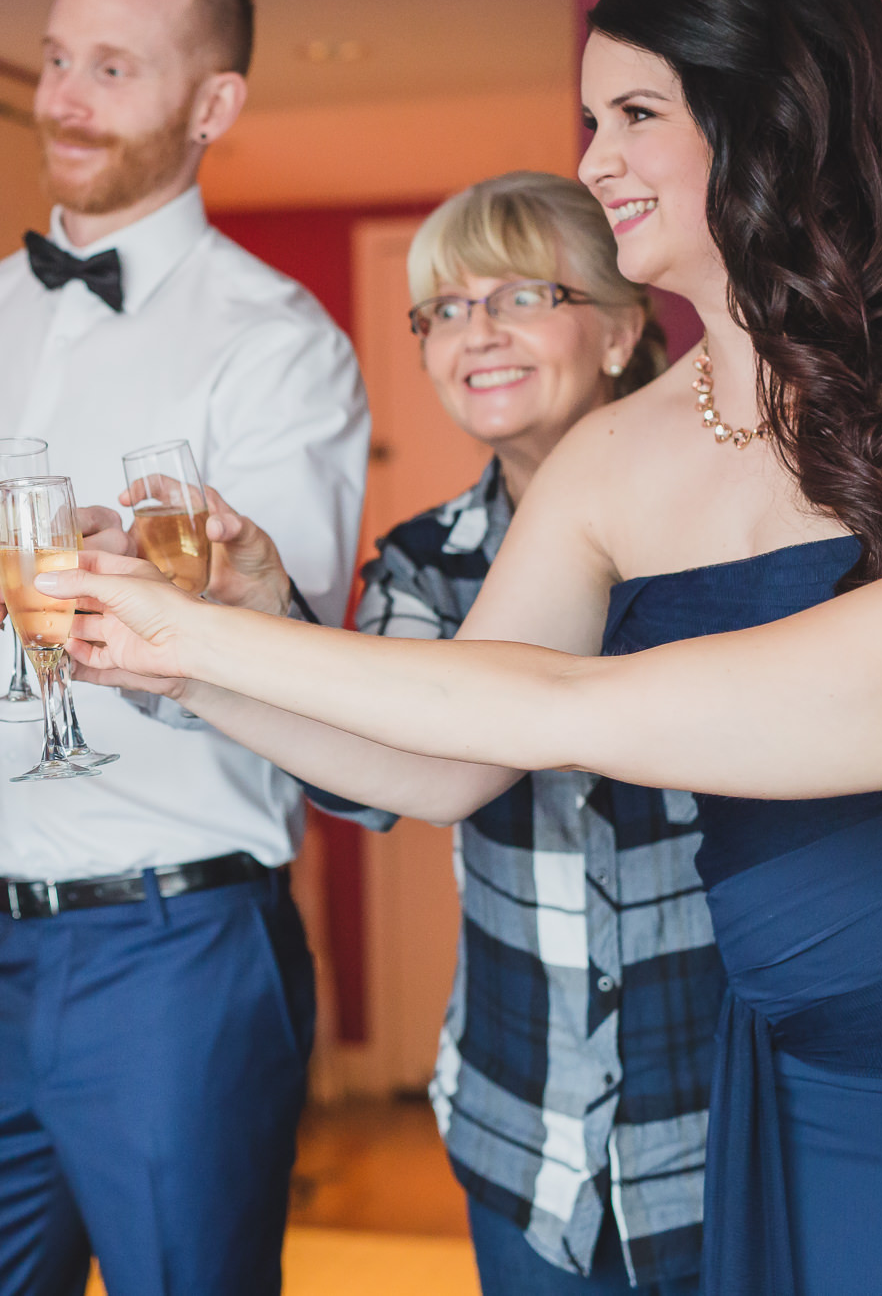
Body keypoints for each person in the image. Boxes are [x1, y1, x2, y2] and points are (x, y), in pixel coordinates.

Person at [55, 0, 882, 1296]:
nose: (595, 160)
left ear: (768, 109)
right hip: (792, 1075)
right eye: (589, 119)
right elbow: (463, 748)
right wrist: (176, 667)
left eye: (637, 116)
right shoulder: (613, 460)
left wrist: (204, 636)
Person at [0, 0, 370, 1295]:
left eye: (111, 66)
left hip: (180, 947)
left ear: (213, 105)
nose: (61, 98)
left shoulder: (278, 346)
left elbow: (298, 654)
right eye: (52, 60)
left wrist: (188, 592)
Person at [244, 170, 713, 1293]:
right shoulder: (429, 557)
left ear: (620, 332)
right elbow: (378, 782)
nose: (476, 334)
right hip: (524, 1119)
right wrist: (256, 616)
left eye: (517, 297)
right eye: (445, 310)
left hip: (726, 1111)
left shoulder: (732, 531)